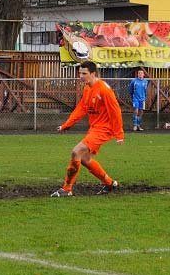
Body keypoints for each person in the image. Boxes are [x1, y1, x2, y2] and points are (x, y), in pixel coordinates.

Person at [52, 61, 124, 197]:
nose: (81, 76)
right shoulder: (87, 88)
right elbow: (81, 108)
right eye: (80, 73)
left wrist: (119, 134)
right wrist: (66, 125)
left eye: (84, 73)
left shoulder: (104, 89)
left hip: (104, 129)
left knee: (76, 152)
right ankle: (109, 183)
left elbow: (115, 112)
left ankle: (67, 188)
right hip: (94, 128)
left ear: (93, 74)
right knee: (84, 159)